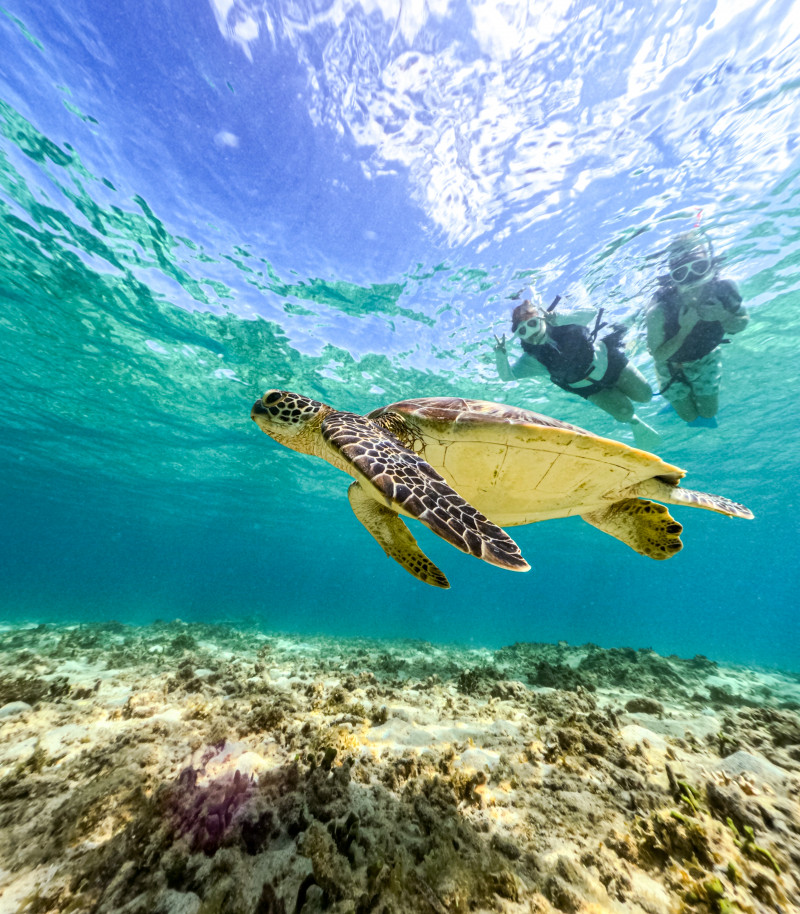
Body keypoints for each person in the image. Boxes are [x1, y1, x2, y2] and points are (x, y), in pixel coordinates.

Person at [494, 291, 660, 448]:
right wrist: (501, 355)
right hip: (588, 387)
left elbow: (592, 314)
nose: (531, 332)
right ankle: (635, 422)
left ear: (541, 319)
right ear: (519, 336)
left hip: (610, 364)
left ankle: (633, 409)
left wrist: (560, 317)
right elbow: (508, 376)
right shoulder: (532, 358)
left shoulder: (564, 323)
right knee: (624, 413)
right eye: (523, 331)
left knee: (645, 395)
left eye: (532, 323)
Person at [646, 231, 748, 426]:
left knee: (709, 414)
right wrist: (684, 330)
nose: (692, 280)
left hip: (706, 356)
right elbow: (658, 355)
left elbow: (742, 322)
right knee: (689, 417)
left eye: (700, 268)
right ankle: (679, 403)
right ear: (674, 278)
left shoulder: (724, 290)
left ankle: (682, 399)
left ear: (709, 266)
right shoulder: (659, 309)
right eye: (682, 273)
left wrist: (723, 315)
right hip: (670, 363)